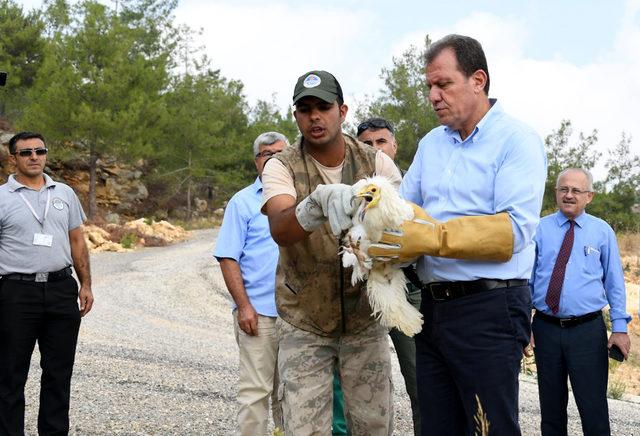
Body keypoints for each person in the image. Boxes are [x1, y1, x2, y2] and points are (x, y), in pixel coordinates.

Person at [368, 35, 547, 435]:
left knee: (489, 428)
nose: (433, 95)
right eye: (429, 86)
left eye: (443, 84)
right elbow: (402, 212)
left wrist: (432, 238)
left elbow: (513, 231)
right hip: (434, 308)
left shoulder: (517, 141)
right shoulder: (432, 144)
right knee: (436, 427)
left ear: (478, 80)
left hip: (490, 307)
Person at [261, 70, 402, 434]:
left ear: (343, 111)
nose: (314, 117)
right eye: (304, 109)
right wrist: (314, 204)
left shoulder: (376, 164)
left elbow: (403, 226)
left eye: (323, 107)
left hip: (364, 321)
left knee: (373, 425)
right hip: (305, 320)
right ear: (296, 116)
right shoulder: (282, 165)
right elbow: (280, 227)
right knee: (304, 427)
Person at [0, 131, 93, 435]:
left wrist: (86, 284)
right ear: (13, 158)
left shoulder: (64, 193)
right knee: (10, 374)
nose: (34, 157)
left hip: (60, 289)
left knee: (58, 372)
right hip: (15, 293)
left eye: (40, 151)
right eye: (26, 152)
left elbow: (77, 240)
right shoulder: (2, 197)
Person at [529, 168, 631, 436]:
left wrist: (619, 328)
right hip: (545, 329)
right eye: (564, 189)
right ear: (556, 193)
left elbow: (614, 283)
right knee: (550, 410)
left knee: (593, 409)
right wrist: (522, 325)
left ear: (589, 196)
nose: (569, 195)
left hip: (587, 331)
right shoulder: (539, 229)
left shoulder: (602, 231)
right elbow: (526, 279)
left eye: (576, 191)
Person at [214, 132, 288, 435]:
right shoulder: (242, 202)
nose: (271, 159)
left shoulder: (303, 196)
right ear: (256, 161)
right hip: (259, 315)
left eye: (278, 153)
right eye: (264, 154)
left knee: (294, 394)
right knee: (256, 393)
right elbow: (227, 257)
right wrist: (243, 306)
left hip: (300, 317)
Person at [357, 117, 422, 436]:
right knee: (362, 385)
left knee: (420, 381)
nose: (374, 149)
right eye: (366, 144)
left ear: (394, 146)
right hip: (358, 294)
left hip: (406, 288)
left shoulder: (414, 187)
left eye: (380, 142)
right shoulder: (352, 191)